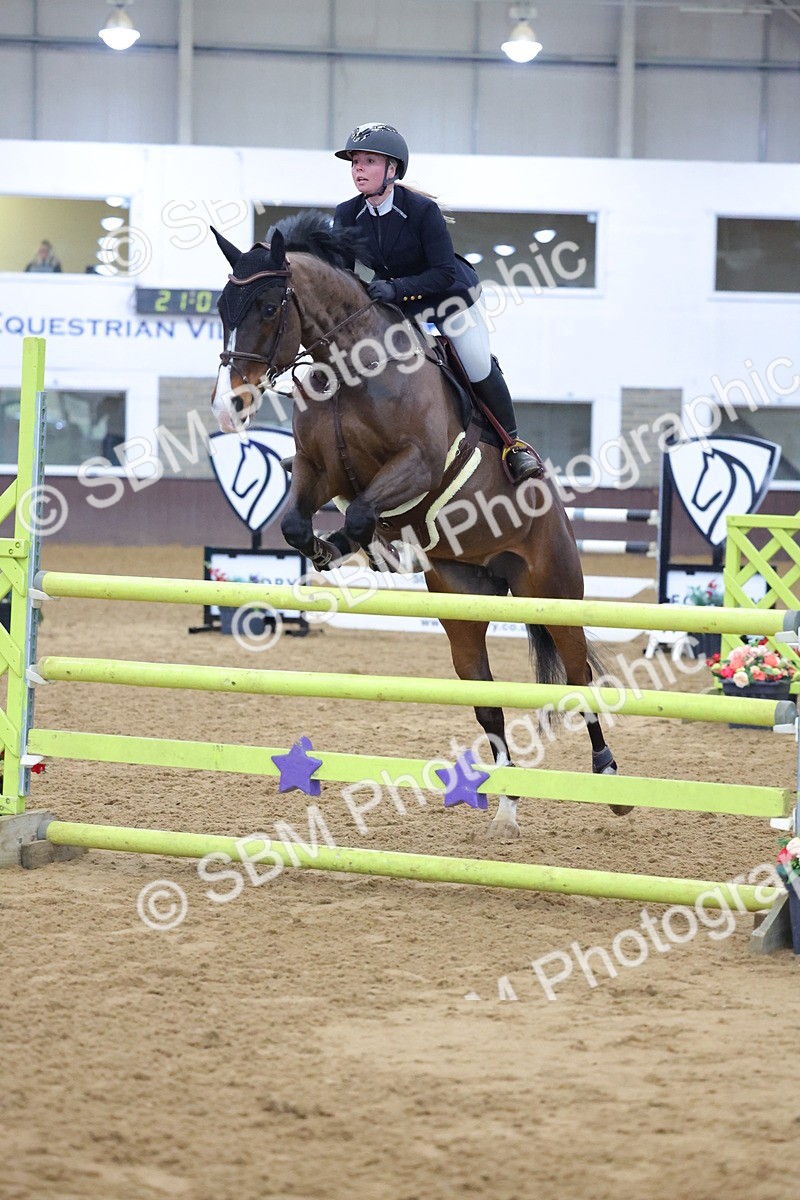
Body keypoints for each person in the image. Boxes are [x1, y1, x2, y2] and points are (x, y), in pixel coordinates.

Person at [333, 122, 543, 483]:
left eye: (368, 161)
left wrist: (395, 289)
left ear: (392, 170)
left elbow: (444, 273)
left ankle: (513, 445)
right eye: (354, 162)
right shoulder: (347, 214)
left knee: (475, 363)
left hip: (450, 299)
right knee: (357, 357)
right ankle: (328, 441)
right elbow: (341, 275)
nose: (358, 169)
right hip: (397, 303)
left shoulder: (420, 212)